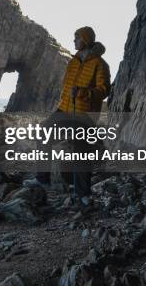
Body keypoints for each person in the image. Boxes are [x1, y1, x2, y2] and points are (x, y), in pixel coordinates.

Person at [37, 26, 111, 200]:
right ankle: (42, 180)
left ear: (85, 40)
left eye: (76, 38)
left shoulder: (100, 64)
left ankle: (82, 194)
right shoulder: (73, 61)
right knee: (43, 134)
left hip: (84, 114)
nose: (74, 41)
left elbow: (104, 90)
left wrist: (82, 92)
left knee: (81, 151)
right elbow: (66, 87)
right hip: (64, 109)